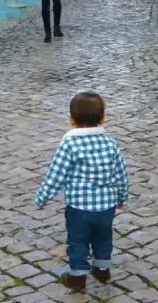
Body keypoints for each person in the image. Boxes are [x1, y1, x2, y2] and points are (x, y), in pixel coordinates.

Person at [35, 92, 130, 292]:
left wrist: (42, 197)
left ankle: (77, 277)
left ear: (71, 120)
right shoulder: (111, 144)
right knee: (103, 237)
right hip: (106, 207)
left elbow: (56, 174)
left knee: (77, 241)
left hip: (79, 208)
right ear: (102, 118)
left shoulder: (70, 144)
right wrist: (122, 197)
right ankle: (102, 269)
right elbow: (121, 174)